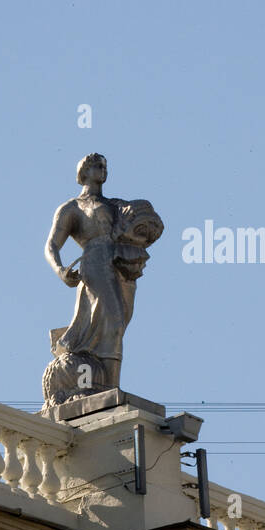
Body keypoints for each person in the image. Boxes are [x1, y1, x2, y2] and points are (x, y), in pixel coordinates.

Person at [43, 154, 162, 399]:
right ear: (84, 171)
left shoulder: (115, 204)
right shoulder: (72, 207)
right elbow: (51, 245)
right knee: (113, 322)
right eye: (98, 166)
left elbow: (141, 220)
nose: (103, 170)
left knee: (119, 325)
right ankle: (108, 389)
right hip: (95, 262)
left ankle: (109, 387)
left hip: (122, 263)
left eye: (105, 166)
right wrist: (61, 271)